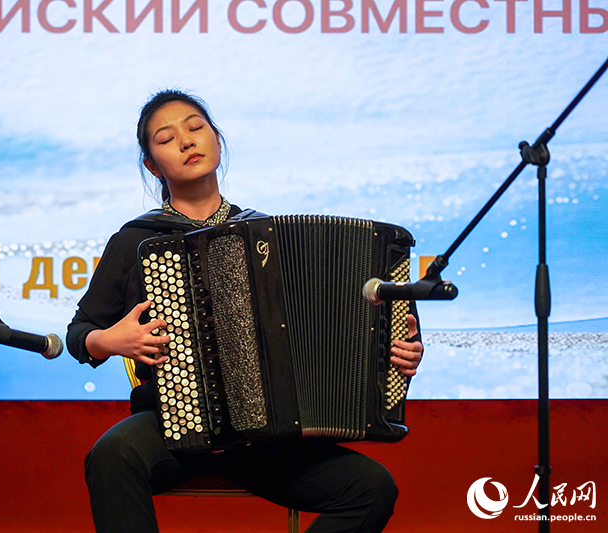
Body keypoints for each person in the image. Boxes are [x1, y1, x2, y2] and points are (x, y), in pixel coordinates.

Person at [66, 89, 424, 533]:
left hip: (265, 439)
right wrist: (108, 340)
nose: (186, 140)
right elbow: (79, 333)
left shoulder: (270, 238)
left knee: (372, 486)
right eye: (166, 137)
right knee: (111, 456)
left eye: (196, 127)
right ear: (152, 166)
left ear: (217, 139)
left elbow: (332, 332)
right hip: (173, 429)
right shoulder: (134, 241)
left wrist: (394, 353)